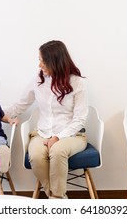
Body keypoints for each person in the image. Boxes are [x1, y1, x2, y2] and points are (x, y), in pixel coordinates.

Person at [6, 40, 88, 199]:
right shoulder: (38, 79)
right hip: (42, 133)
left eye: (43, 61)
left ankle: (55, 199)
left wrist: (57, 137)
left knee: (57, 150)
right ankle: (57, 197)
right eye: (39, 60)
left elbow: (80, 119)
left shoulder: (77, 82)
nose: (39, 65)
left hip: (73, 135)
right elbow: (20, 106)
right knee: (35, 155)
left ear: (55, 61)